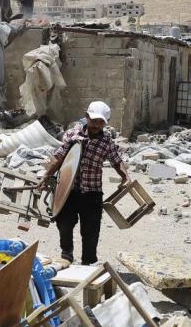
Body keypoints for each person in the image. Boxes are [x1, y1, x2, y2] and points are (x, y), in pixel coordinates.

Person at [36, 101, 129, 265]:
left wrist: (125, 177)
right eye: (93, 121)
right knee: (64, 223)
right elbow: (59, 157)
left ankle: (88, 262)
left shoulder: (107, 141)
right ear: (87, 117)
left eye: (101, 122)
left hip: (92, 193)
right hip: (69, 191)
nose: (96, 125)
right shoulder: (73, 135)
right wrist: (46, 175)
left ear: (105, 123)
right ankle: (66, 254)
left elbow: (116, 161)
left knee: (91, 230)